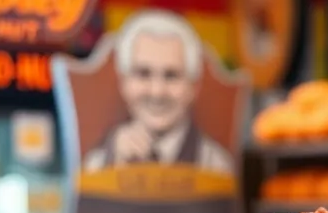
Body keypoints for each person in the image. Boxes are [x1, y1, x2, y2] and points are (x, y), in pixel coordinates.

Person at [83, 11, 232, 175]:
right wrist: (113, 169)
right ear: (124, 83)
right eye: (143, 74)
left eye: (171, 76)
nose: (157, 92)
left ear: (193, 87)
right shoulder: (98, 165)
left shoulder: (216, 169)